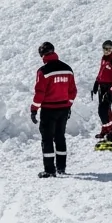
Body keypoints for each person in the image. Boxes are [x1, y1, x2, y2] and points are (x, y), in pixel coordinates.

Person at [30, 41, 77, 177]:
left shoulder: (43, 71)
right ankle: (61, 167)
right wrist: (68, 105)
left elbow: (40, 94)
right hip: (63, 109)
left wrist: (34, 109)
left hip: (48, 110)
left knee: (47, 139)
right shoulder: (67, 69)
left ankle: (50, 170)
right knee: (60, 137)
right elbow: (73, 91)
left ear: (42, 55)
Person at [91, 40, 112, 139]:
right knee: (105, 110)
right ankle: (105, 130)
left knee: (103, 110)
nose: (107, 51)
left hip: (110, 88)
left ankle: (110, 131)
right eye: (105, 49)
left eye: (109, 49)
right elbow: (101, 71)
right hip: (102, 86)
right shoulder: (104, 58)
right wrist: (97, 82)